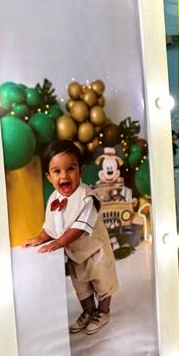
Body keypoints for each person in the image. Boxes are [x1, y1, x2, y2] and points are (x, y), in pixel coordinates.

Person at [22, 139, 118, 335]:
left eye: (70, 169)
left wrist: (59, 243)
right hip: (75, 253)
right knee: (81, 286)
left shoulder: (87, 198)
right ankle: (88, 311)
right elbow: (50, 226)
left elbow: (79, 228)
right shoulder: (54, 200)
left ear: (81, 170)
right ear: (49, 177)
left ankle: (103, 312)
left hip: (95, 250)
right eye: (57, 171)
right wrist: (39, 238)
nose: (64, 176)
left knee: (102, 282)